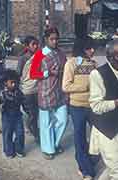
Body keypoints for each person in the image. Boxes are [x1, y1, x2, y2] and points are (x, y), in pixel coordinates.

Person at [30, 27, 68, 160]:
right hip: (45, 93)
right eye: (52, 39)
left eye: (56, 39)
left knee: (63, 120)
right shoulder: (40, 54)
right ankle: (48, 149)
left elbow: (67, 69)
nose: (55, 42)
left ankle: (55, 143)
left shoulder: (61, 53)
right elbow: (33, 74)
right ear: (46, 39)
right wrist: (48, 73)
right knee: (46, 123)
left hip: (60, 92)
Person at [62, 38, 97, 180]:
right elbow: (65, 86)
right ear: (82, 49)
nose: (93, 51)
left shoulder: (94, 64)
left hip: (93, 106)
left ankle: (89, 161)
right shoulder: (71, 64)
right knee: (80, 138)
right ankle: (85, 169)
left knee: (97, 137)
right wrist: (85, 87)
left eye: (93, 48)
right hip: (77, 107)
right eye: (89, 48)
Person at [89, 39, 118, 180]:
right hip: (107, 131)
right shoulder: (98, 74)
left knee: (113, 168)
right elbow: (96, 106)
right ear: (110, 57)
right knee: (116, 170)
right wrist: (115, 103)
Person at [0, 69, 27, 158]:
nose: (14, 84)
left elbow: (24, 103)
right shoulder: (3, 94)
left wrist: (27, 111)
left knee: (20, 133)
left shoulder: (19, 92)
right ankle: (8, 151)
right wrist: (2, 106)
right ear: (6, 83)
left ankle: (19, 149)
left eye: (16, 82)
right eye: (12, 82)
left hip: (18, 115)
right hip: (7, 116)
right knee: (7, 134)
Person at [17, 35, 39, 141]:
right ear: (27, 46)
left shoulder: (39, 56)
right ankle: (36, 134)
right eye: (33, 44)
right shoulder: (23, 59)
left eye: (36, 44)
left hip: (37, 89)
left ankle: (32, 128)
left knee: (35, 113)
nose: (35, 46)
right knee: (32, 113)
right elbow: (18, 74)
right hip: (26, 90)